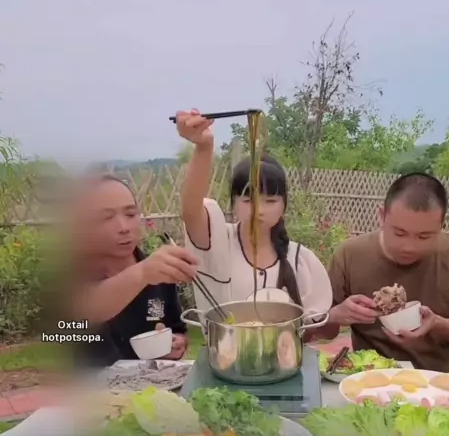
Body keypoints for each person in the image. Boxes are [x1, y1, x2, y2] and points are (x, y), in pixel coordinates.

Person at [175, 110, 332, 319]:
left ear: (284, 205)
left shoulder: (301, 261)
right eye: (248, 201)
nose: (259, 210)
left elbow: (314, 324)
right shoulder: (217, 242)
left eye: (270, 201)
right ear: (234, 202)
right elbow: (191, 212)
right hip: (224, 341)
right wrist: (204, 147)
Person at [327, 173, 449, 372]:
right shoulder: (349, 254)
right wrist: (335, 315)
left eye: (424, 237)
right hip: (369, 379)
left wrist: (438, 324)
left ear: (442, 224)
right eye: (399, 233)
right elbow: (322, 331)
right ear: (382, 215)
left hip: (437, 382)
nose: (409, 247)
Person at [72, 173, 198, 367]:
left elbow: (177, 329)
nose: (123, 227)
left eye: (130, 214)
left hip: (154, 381)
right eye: (106, 217)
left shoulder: (159, 275)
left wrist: (178, 343)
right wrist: (142, 273)